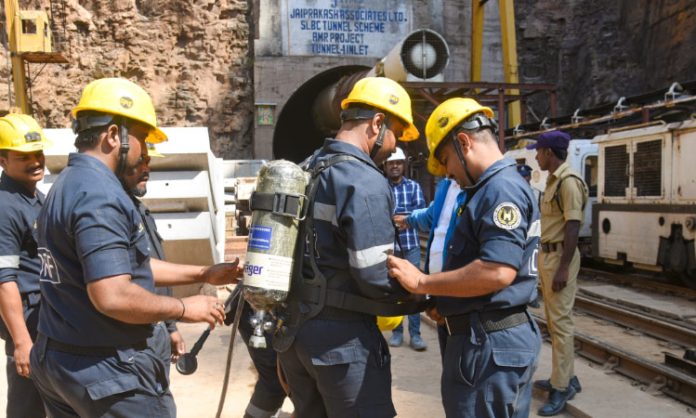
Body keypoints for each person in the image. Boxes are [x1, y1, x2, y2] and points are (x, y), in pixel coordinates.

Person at [30, 77, 242, 417]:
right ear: (114, 136)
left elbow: (128, 264)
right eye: (142, 139)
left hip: (61, 361)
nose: (146, 152)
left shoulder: (66, 184)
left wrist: (203, 272)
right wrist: (183, 309)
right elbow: (112, 293)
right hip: (106, 371)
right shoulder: (100, 194)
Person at [276, 76, 420, 418]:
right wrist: (420, 295)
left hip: (295, 337)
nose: (393, 146)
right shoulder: (364, 178)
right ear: (377, 124)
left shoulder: (307, 167)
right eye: (396, 133)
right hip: (341, 344)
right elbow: (372, 274)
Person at [387, 97, 541, 418]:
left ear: (463, 142)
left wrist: (422, 281)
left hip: (488, 344)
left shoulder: (499, 190)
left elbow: (497, 271)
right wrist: (445, 302)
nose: (449, 174)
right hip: (485, 338)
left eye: (446, 161)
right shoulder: (488, 189)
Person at [527, 131, 587, 416]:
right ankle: (567, 377)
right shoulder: (553, 180)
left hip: (560, 257)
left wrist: (563, 267)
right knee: (555, 322)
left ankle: (560, 389)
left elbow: (573, 226)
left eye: (538, 151)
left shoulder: (568, 182)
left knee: (560, 324)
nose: (536, 156)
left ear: (549, 152)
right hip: (549, 256)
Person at [0, 114, 49, 418]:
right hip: (29, 327)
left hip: (46, 323)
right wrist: (21, 342)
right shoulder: (5, 207)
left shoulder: (35, 198)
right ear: (3, 160)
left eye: (38, 153)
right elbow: (4, 280)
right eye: (23, 157)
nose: (35, 161)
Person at [122, 143, 186, 375]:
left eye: (148, 161)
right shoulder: (115, 214)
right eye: (140, 161)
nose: (146, 169)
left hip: (155, 327)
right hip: (134, 339)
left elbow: (152, 271)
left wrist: (170, 327)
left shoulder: (139, 210)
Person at [394, 177, 464, 360]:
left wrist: (424, 282)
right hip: (440, 291)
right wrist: (409, 220)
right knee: (448, 360)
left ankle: (415, 334)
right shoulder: (446, 186)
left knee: (462, 358)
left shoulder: (476, 188)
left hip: (460, 292)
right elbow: (432, 215)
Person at [384, 147, 427, 351]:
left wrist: (403, 219)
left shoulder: (414, 187)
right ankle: (397, 332)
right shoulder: (381, 187)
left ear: (404, 165)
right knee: (394, 289)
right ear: (385, 166)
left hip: (410, 245)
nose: (395, 166)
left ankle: (416, 335)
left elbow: (420, 214)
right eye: (391, 163)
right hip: (390, 247)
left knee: (415, 289)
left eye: (398, 162)